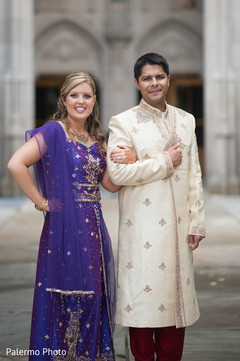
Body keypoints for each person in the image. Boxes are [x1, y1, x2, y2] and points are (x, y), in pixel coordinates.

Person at [8, 72, 135, 360]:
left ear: (94, 101)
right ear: (64, 100)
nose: (81, 101)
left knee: (92, 295)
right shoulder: (54, 132)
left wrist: (130, 161)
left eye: (87, 96)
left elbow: (110, 185)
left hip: (93, 228)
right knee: (65, 294)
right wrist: (43, 202)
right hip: (64, 230)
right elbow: (16, 163)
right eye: (74, 95)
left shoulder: (97, 139)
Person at [107, 53, 206, 361]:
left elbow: (194, 173)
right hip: (142, 231)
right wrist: (164, 162)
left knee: (176, 306)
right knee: (142, 306)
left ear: (168, 79)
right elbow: (117, 175)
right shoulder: (123, 122)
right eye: (147, 78)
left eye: (159, 76)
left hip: (177, 230)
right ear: (137, 83)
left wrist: (196, 222)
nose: (154, 83)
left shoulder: (186, 120)